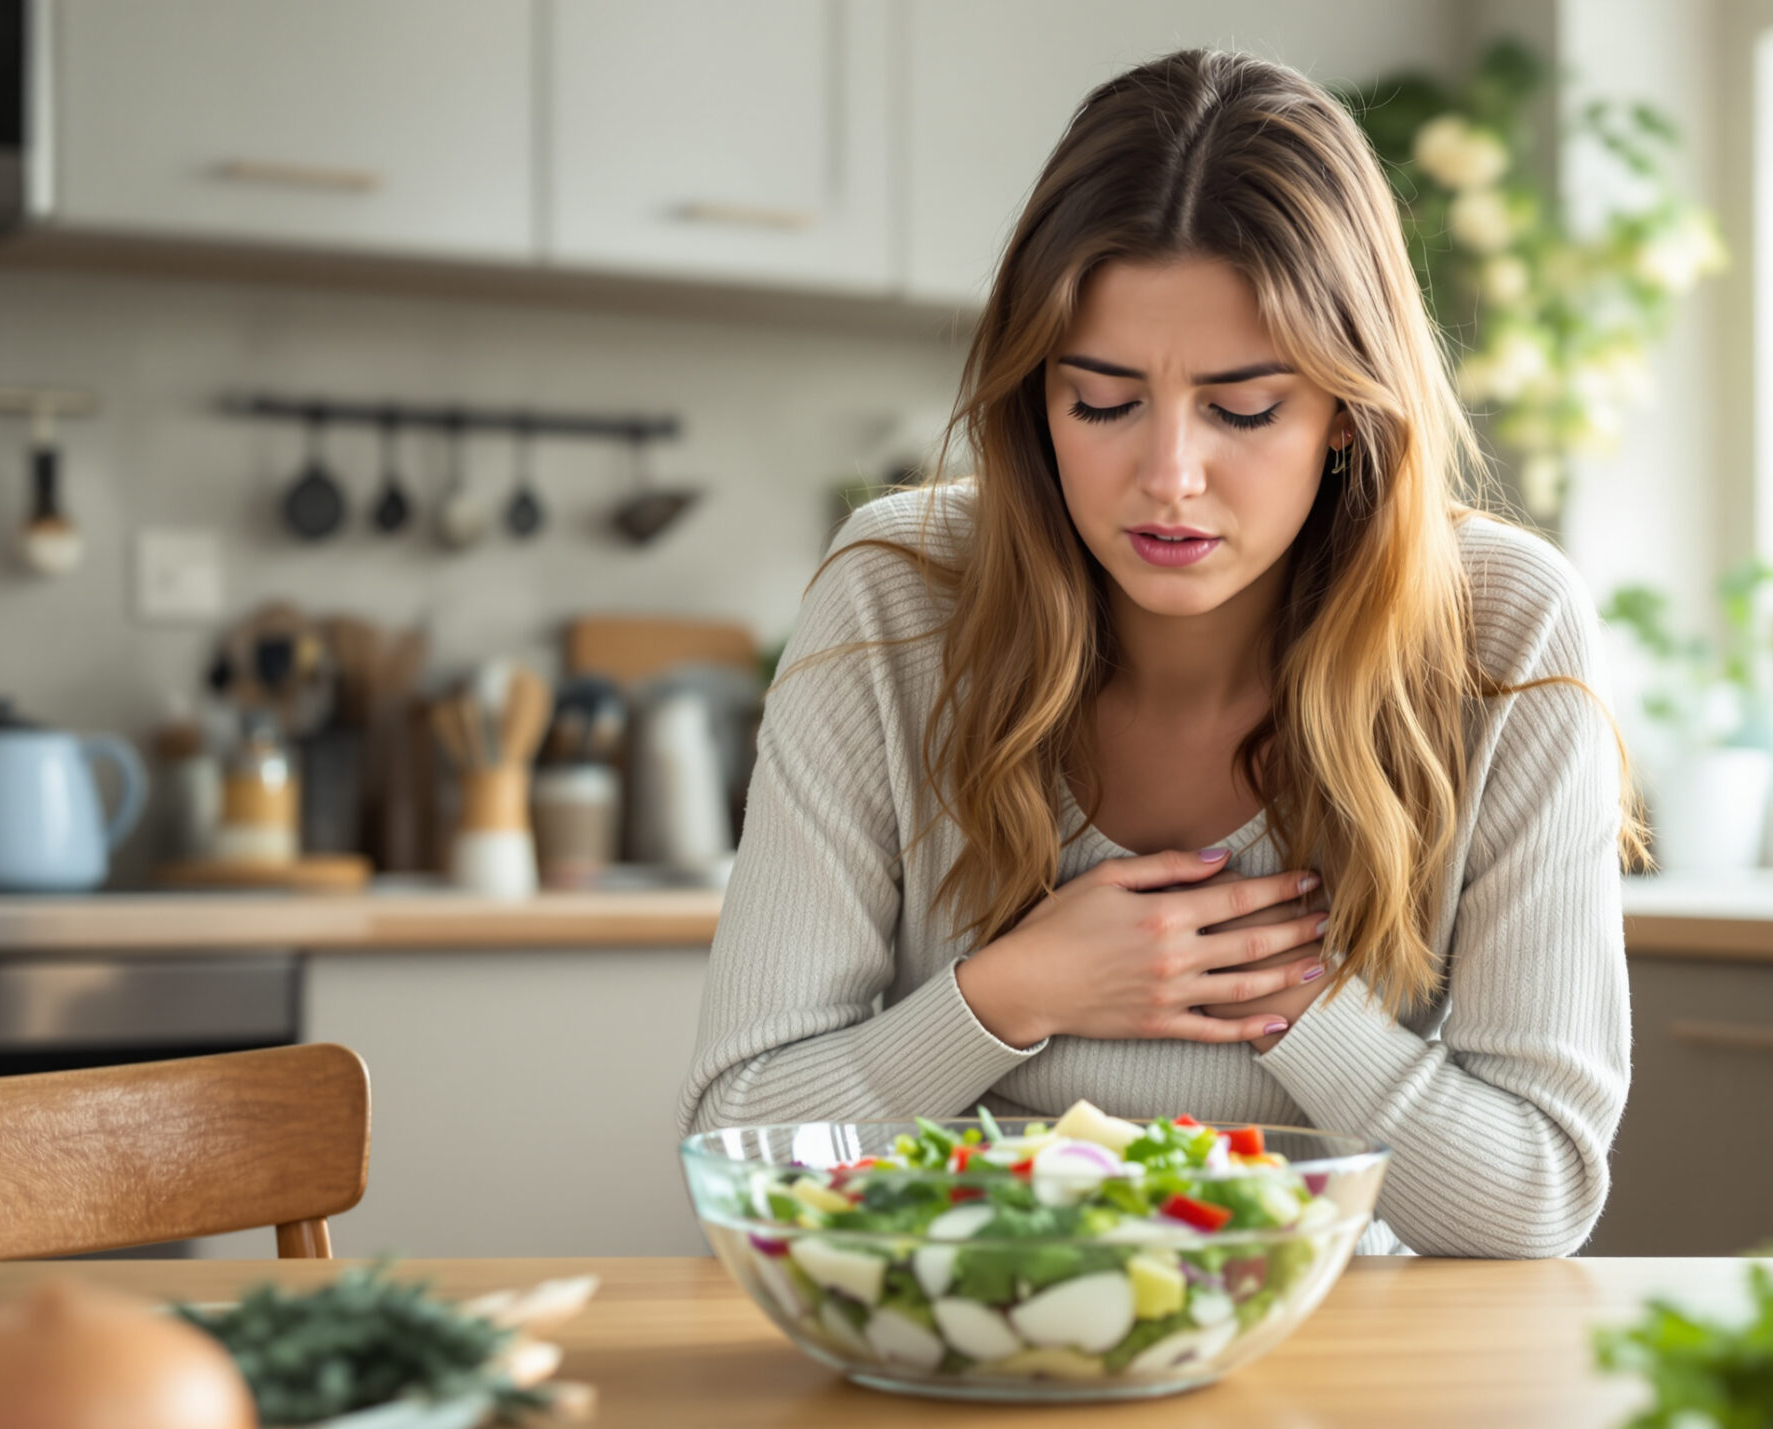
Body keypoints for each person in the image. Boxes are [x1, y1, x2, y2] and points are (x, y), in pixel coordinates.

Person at [680, 49, 1634, 1258]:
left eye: (1244, 409)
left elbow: (1535, 1197)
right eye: (1100, 399)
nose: (1168, 477)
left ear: (1347, 410)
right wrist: (1011, 994)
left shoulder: (1503, 625)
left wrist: (1274, 999)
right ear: (1035, 399)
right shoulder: (895, 595)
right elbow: (736, 1150)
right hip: (976, 1327)